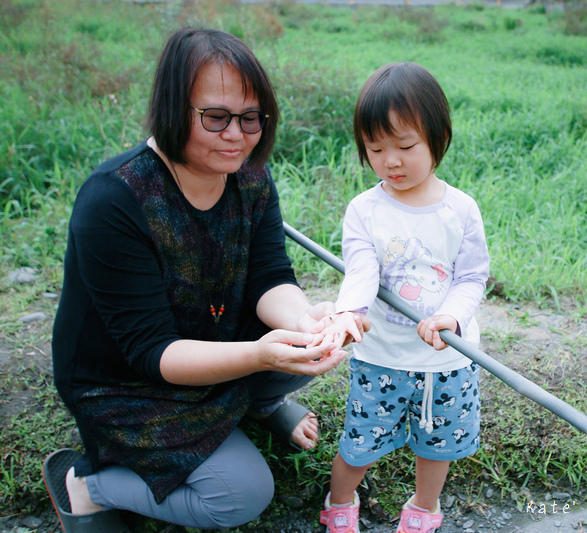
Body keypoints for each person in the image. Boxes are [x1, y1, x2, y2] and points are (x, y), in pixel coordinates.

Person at [44, 27, 366, 533]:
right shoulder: (114, 200)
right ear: (173, 108)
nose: (237, 135)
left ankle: (259, 404)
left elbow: (269, 278)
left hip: (217, 344)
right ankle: (86, 486)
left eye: (251, 118)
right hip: (128, 382)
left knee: (304, 343)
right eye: (216, 118)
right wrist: (259, 354)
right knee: (240, 495)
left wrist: (306, 320)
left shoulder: (250, 175)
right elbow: (152, 352)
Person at [318, 63, 490, 533]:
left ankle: (423, 511)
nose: (390, 160)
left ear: (437, 137)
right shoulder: (365, 210)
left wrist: (451, 317)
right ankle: (339, 503)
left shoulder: (460, 210)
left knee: (437, 448)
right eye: (376, 148)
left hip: (446, 362)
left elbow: (472, 277)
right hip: (381, 359)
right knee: (358, 444)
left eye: (405, 146)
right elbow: (361, 269)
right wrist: (349, 311)